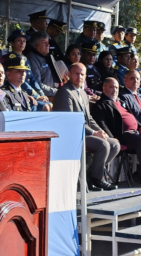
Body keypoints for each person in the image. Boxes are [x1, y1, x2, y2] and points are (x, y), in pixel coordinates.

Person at [53, 63, 119, 191]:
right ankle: (97, 178)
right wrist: (94, 133)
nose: (79, 77)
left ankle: (90, 174)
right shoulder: (65, 92)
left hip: (85, 132)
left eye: (82, 74)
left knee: (114, 144)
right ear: (69, 74)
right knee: (103, 145)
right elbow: (71, 122)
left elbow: (89, 119)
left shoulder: (82, 93)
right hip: (71, 136)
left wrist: (100, 131)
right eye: (76, 73)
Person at [91, 78, 141, 187]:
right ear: (104, 88)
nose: (114, 90)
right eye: (111, 87)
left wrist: (140, 126)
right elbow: (101, 123)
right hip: (122, 134)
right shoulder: (101, 105)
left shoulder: (121, 102)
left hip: (135, 132)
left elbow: (131, 117)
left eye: (116, 87)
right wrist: (111, 137)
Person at [0, 29, 51, 111]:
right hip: (20, 93)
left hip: (29, 93)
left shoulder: (25, 58)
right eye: (19, 41)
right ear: (12, 43)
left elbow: (32, 79)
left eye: (24, 41)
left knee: (50, 105)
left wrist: (41, 93)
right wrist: (36, 96)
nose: (22, 43)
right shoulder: (11, 59)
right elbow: (22, 81)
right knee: (45, 107)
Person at [26, 31, 59, 96]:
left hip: (54, 95)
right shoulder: (32, 58)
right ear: (35, 45)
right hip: (43, 97)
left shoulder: (49, 57)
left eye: (48, 42)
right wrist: (56, 92)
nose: (48, 45)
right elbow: (37, 83)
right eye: (44, 43)